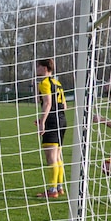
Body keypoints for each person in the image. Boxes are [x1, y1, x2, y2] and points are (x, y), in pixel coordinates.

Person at [35, 59, 69, 198]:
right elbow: (64, 105)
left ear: (44, 68)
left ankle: (52, 190)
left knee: (51, 157)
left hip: (52, 121)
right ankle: (59, 187)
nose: (36, 69)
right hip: (62, 120)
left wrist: (43, 121)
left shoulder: (44, 83)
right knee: (58, 155)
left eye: (38, 66)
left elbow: (48, 103)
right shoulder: (57, 83)